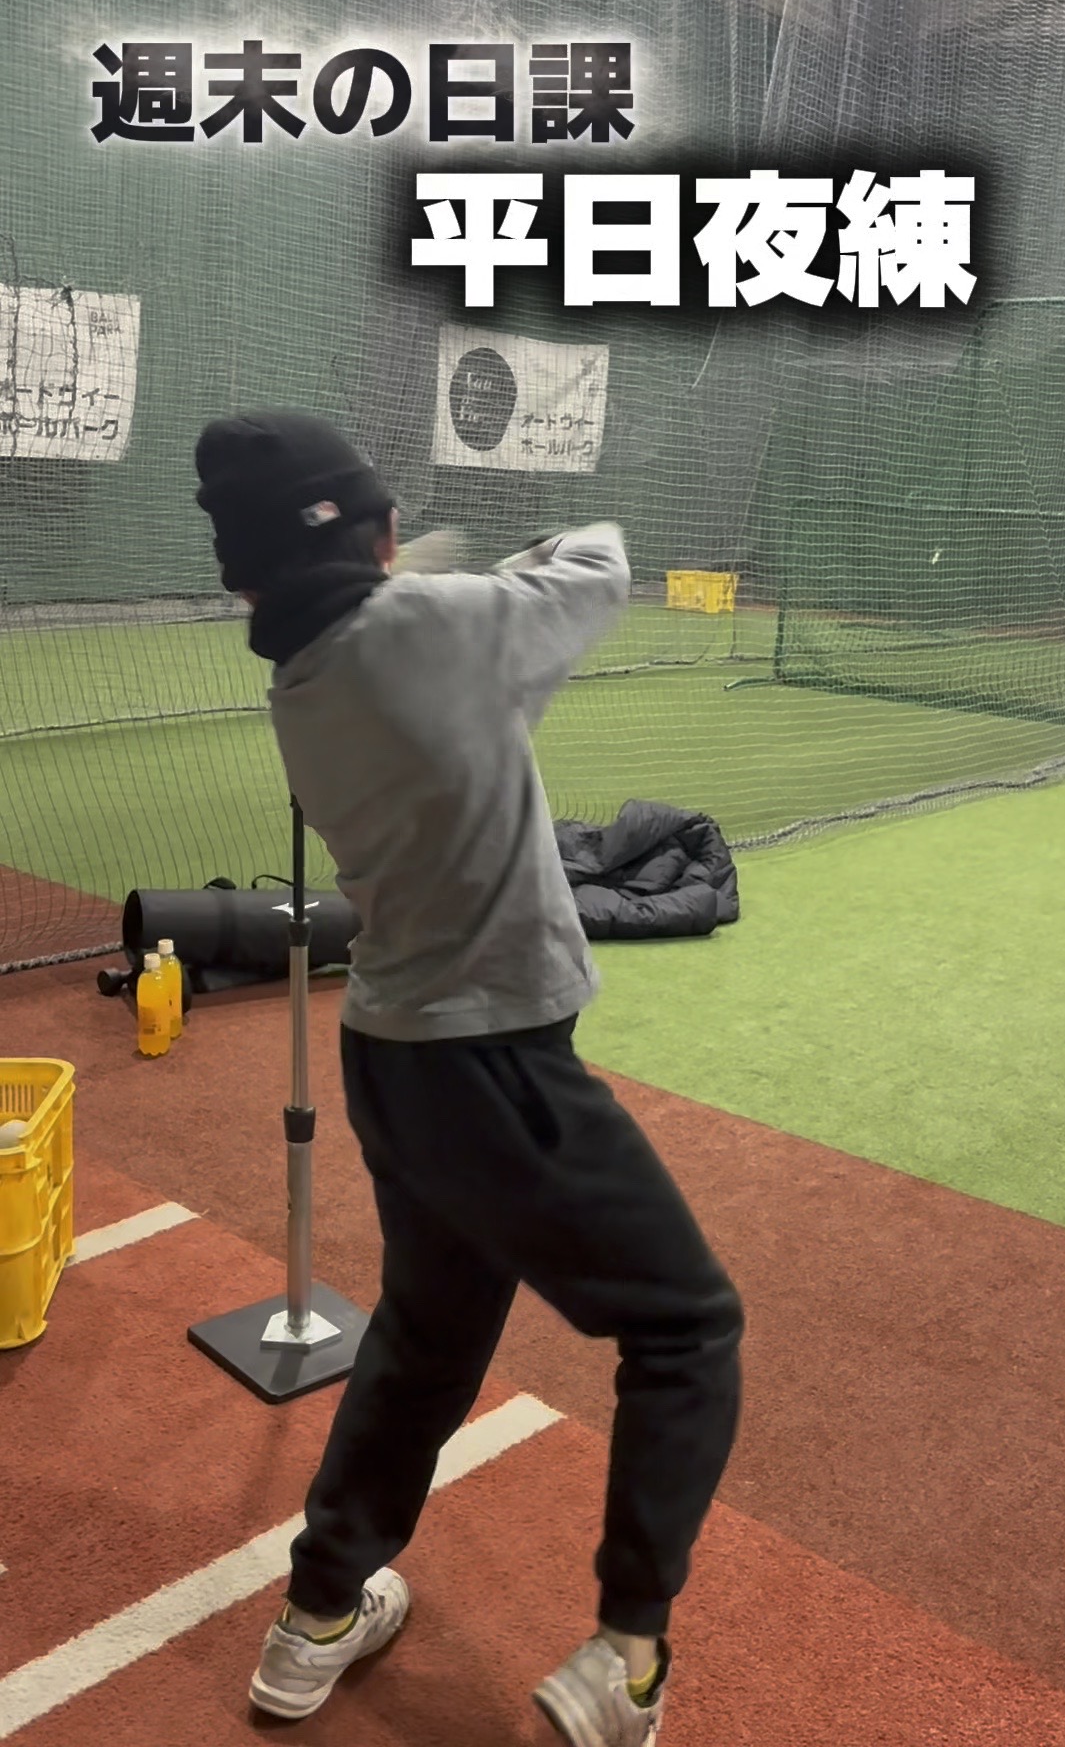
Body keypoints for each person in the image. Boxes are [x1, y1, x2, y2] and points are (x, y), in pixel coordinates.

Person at [194, 409, 744, 1747]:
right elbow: (599, 560)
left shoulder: (307, 678)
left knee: (429, 1338)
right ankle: (628, 1655)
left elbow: (462, 676)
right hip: (493, 1065)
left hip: (392, 1056)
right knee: (688, 1327)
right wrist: (485, 564)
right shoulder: (434, 626)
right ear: (369, 536)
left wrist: (408, 575)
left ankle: (319, 1610)